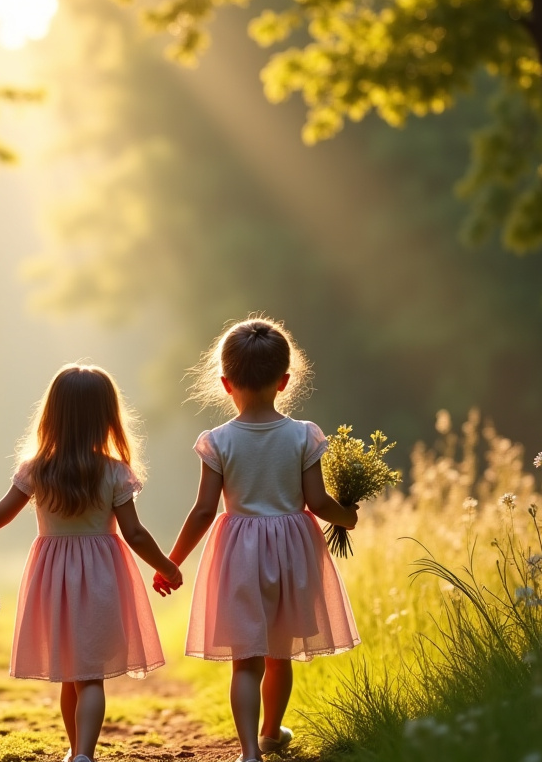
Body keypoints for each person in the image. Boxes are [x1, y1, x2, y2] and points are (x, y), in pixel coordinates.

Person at [0, 364, 183, 762]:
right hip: (101, 577)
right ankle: (83, 753)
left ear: (52, 415)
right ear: (108, 418)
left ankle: (78, 751)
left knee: (69, 671)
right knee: (90, 676)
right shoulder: (114, 472)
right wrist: (165, 565)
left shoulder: (37, 469)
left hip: (53, 578)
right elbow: (135, 534)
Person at [161, 318, 359, 762]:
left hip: (238, 554)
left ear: (226, 382)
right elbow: (319, 502)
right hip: (292, 551)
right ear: (284, 380)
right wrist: (348, 517)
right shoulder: (303, 435)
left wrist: (171, 560)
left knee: (245, 660)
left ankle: (249, 751)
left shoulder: (217, 441)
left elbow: (203, 511)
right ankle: (271, 733)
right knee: (279, 653)